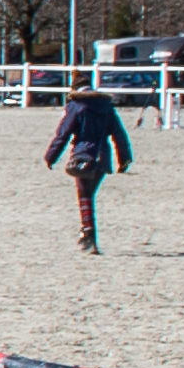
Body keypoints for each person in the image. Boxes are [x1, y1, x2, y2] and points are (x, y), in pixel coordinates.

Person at [46, 82, 134, 252]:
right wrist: (124, 159)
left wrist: (51, 156)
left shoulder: (76, 106)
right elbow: (119, 134)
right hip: (102, 157)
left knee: (84, 195)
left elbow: (63, 133)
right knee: (88, 195)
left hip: (83, 156)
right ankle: (87, 234)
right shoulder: (106, 107)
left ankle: (88, 234)